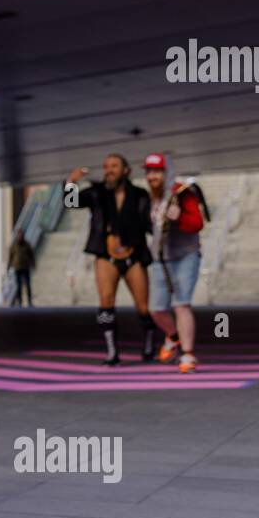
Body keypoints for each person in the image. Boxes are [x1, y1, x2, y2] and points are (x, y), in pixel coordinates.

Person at [65, 154, 155, 366]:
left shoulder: (140, 195)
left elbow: (150, 225)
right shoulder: (97, 193)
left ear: (126, 170)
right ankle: (111, 350)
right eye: (106, 167)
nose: (109, 170)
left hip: (134, 256)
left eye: (114, 166)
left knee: (143, 306)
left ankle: (149, 342)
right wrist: (71, 182)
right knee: (106, 303)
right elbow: (71, 203)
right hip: (105, 255)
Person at [144, 153, 207, 374]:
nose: (152, 176)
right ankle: (174, 336)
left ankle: (188, 355)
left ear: (167, 172)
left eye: (157, 171)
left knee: (181, 304)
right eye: (149, 171)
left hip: (185, 255)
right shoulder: (151, 198)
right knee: (156, 309)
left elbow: (197, 223)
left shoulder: (181, 193)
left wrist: (180, 217)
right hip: (161, 258)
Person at [8, 229, 35, 307]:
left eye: (21, 234)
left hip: (25, 267)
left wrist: (33, 264)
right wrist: (8, 266)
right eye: (19, 235)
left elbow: (31, 255)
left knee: (28, 285)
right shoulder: (14, 245)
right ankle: (20, 302)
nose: (20, 236)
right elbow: (10, 257)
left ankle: (29, 302)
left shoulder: (27, 244)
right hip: (17, 268)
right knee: (18, 286)